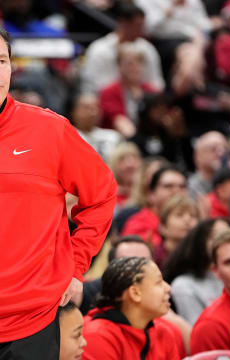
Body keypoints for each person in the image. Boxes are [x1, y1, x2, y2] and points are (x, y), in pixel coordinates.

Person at [0, 28, 117, 359]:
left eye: (1, 60)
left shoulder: (49, 130)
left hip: (33, 319)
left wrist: (76, 264)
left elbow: (102, 194)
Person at [82, 257, 181, 359]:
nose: (168, 288)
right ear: (135, 293)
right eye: (159, 282)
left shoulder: (164, 333)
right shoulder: (97, 336)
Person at [81, 2, 164, 93]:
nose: (141, 31)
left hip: (142, 101)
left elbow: (157, 85)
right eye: (137, 26)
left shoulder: (147, 49)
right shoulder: (99, 49)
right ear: (123, 23)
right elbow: (91, 86)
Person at [164, 218, 230, 325]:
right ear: (200, 242)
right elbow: (196, 331)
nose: (224, 242)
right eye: (215, 236)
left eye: (229, 236)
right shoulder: (184, 285)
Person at [121, 165, 187, 246]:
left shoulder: (193, 222)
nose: (177, 191)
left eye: (182, 186)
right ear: (151, 194)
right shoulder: (139, 224)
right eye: (168, 186)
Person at [70, 93, 122, 163]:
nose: (93, 112)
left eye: (96, 107)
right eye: (86, 108)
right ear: (74, 112)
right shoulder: (67, 136)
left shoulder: (113, 136)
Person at [155, 194, 200, 270]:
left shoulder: (202, 258)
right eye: (179, 215)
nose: (187, 219)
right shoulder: (154, 258)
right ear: (163, 227)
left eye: (193, 216)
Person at [188, 131, 228, 199]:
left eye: (225, 149)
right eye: (213, 149)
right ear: (197, 155)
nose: (221, 153)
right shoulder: (188, 188)